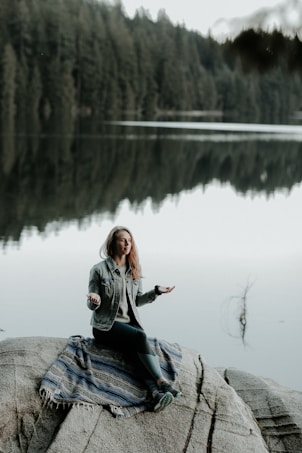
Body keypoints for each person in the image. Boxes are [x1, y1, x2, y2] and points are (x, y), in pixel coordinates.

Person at [86, 225, 181, 412]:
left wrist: (155, 292)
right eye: (123, 240)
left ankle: (156, 394)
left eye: (130, 241)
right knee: (140, 337)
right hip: (105, 327)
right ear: (113, 243)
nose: (127, 244)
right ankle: (162, 381)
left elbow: (137, 300)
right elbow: (91, 302)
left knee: (134, 354)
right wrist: (94, 301)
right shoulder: (98, 270)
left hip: (127, 325)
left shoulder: (134, 270)